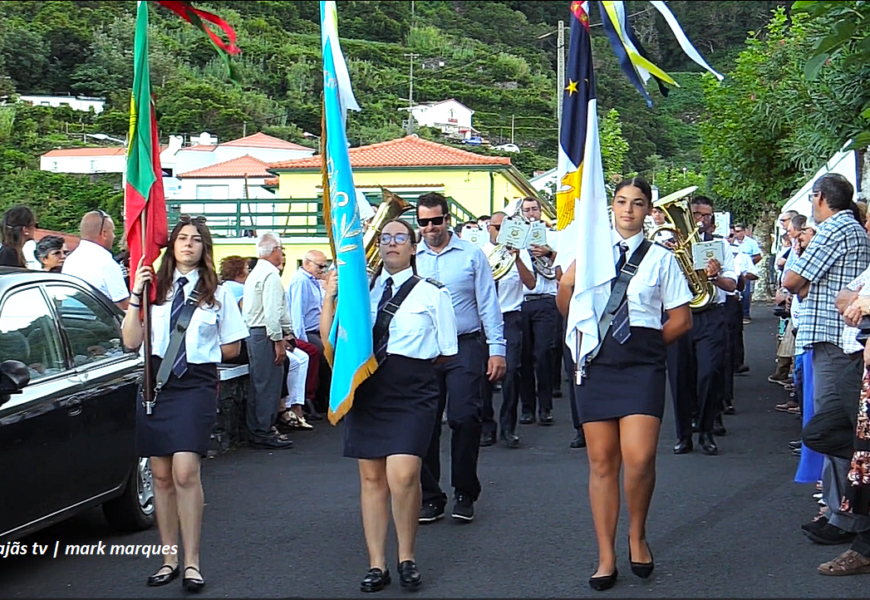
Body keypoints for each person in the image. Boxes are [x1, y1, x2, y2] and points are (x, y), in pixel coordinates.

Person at [556, 177, 693, 591]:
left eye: (637, 203)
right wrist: (569, 278)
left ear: (649, 210)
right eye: (621, 201)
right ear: (611, 207)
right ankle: (605, 555)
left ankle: (637, 533)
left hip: (641, 366)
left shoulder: (661, 259)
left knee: (639, 458)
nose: (628, 209)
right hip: (596, 365)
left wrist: (647, 346)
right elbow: (566, 309)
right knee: (601, 463)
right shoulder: (589, 255)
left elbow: (681, 319)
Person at [320, 218, 458, 592]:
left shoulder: (433, 292)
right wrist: (329, 296)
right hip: (369, 391)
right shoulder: (361, 292)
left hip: (412, 391)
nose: (392, 243)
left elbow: (447, 351)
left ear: (414, 247)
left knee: (403, 476)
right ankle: (377, 563)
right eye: (385, 238)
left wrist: (412, 375)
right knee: (371, 479)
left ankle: (407, 556)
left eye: (401, 238)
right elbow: (331, 343)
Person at [121, 216, 248, 592]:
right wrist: (134, 298)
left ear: (204, 248)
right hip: (156, 385)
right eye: (182, 238)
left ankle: (192, 563)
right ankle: (168, 558)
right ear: (171, 245)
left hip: (194, 384)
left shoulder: (218, 293)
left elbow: (233, 346)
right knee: (160, 475)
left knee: (184, 472)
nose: (188, 245)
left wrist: (197, 344)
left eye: (196, 240)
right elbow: (131, 342)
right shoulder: (152, 291)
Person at [784, 173, 870, 545]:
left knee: (834, 428)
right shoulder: (847, 229)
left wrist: (801, 274)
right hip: (839, 337)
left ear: (820, 198)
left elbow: (791, 280)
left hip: (836, 340)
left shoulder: (835, 228)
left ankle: (843, 516)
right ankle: (839, 511)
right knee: (837, 427)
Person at [414, 192, 506, 523]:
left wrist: (497, 348)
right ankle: (430, 495)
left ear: (447, 219)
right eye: (423, 222)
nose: (430, 228)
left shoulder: (471, 255)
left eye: (436, 221)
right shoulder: (412, 257)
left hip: (464, 344)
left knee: (465, 417)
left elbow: (488, 303)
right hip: (423, 348)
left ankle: (465, 491)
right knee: (423, 422)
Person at [480, 211, 535, 448]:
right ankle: (486, 426)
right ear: (488, 229)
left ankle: (508, 427)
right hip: (483, 319)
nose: (500, 232)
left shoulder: (520, 252)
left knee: (511, 372)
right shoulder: (479, 253)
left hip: (510, 317)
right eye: (496, 227)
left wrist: (518, 258)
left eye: (504, 227)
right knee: (483, 376)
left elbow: (531, 283)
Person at [243, 231, 296, 450]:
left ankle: (259, 428)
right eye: (281, 249)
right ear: (275, 250)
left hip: (256, 332)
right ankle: (263, 430)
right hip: (264, 333)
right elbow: (273, 312)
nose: (282, 253)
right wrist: (279, 339)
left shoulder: (257, 272)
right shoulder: (271, 276)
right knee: (267, 384)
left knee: (261, 383)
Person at [63, 210, 129, 310]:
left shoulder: (70, 260)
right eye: (113, 232)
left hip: (70, 321)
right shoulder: (106, 264)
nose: (114, 236)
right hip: (99, 323)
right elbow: (124, 306)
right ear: (104, 234)